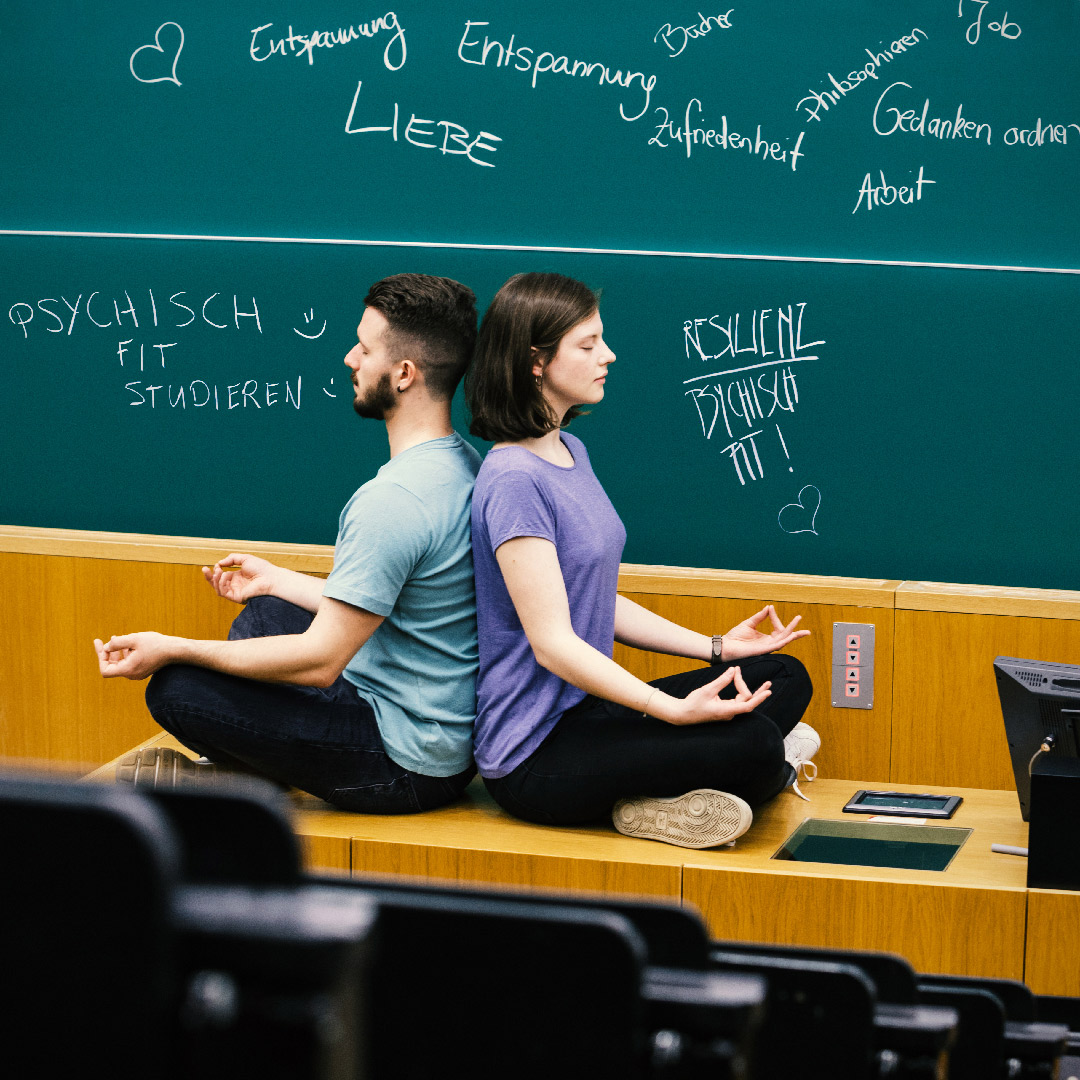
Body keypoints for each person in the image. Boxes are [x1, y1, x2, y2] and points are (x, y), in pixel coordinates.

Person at [95, 273, 482, 814]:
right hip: (439, 731)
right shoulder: (461, 462)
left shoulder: (392, 501)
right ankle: (252, 768)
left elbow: (322, 662)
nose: (350, 358)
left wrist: (173, 646)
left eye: (364, 348)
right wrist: (277, 580)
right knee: (267, 610)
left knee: (176, 688)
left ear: (403, 374)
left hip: (404, 765)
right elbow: (399, 608)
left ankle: (245, 780)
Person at [464, 271, 816, 848]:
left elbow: (595, 598)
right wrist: (669, 710)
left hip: (593, 711)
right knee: (752, 742)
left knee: (782, 677)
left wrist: (717, 648)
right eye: (588, 344)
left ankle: (680, 789)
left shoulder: (569, 450)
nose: (609, 354)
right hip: (535, 751)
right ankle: (735, 774)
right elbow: (553, 643)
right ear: (535, 361)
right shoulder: (512, 479)